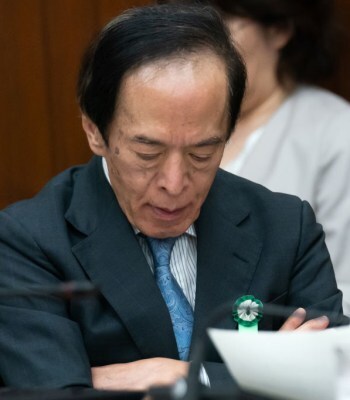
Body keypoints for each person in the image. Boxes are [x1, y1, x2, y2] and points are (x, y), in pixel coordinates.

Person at [0, 3, 344, 392]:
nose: (175, 182)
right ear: (95, 131)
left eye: (202, 153)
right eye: (148, 154)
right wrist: (264, 374)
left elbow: (330, 379)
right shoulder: (28, 240)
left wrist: (164, 375)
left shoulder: (286, 227)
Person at [158, 0, 350, 315]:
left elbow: (343, 291)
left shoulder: (336, 133)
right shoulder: (161, 127)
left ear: (278, 30)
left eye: (220, 22)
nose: (197, 42)